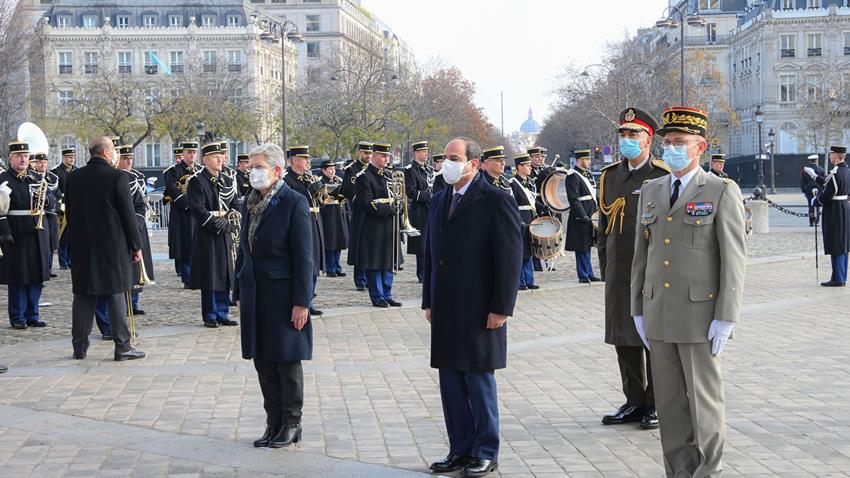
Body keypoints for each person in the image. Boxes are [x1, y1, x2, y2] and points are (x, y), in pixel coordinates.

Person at [631, 106, 746, 477]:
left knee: (704, 404)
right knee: (668, 405)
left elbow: (733, 260)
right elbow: (641, 255)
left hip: (700, 316)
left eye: (681, 143)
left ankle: (708, 472)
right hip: (659, 313)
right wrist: (637, 307)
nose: (673, 149)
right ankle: (679, 472)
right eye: (669, 143)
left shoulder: (720, 190)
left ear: (701, 146)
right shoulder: (651, 189)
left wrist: (726, 316)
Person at [423, 137, 522, 478]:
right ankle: (459, 449)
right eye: (444, 158)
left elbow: (509, 259)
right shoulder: (440, 200)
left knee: (478, 382)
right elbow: (431, 255)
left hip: (481, 308)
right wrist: (428, 300)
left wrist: (501, 307)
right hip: (446, 307)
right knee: (451, 383)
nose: (445, 164)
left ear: (474, 164)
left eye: (453, 158)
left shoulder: (496, 200)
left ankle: (485, 451)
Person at [233, 143, 313, 449]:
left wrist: (301, 302)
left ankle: (292, 422)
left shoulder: (294, 202)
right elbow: (244, 250)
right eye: (251, 166)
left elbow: (304, 257)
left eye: (258, 167)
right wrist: (238, 289)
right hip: (255, 293)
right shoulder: (249, 202)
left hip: (283, 295)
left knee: (286, 361)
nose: (252, 172)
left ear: (276, 171)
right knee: (263, 360)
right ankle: (273, 421)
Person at [597, 107, 669, 431]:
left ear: (648, 140)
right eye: (622, 135)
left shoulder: (662, 176)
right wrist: (605, 270)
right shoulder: (610, 176)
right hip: (619, 272)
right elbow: (604, 228)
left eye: (633, 134)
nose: (627, 140)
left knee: (652, 340)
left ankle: (657, 403)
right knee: (623, 340)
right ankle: (634, 401)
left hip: (652, 273)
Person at [66, 136, 145, 361]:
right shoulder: (117, 177)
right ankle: (123, 346)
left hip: (83, 247)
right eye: (113, 150)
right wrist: (136, 245)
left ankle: (79, 347)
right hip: (113, 246)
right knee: (116, 293)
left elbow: (70, 213)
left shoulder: (73, 177)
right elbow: (128, 215)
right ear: (106, 153)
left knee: (83, 296)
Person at [0, 141, 51, 329]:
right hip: (16, 232)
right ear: (11, 158)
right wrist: (5, 232)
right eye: (19, 156)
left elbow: (50, 202)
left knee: (36, 275)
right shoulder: (4, 179)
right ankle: (18, 316)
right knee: (18, 276)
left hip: (37, 232)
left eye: (26, 156)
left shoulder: (36, 178)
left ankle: (33, 314)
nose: (23, 159)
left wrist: (45, 197)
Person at [187, 141, 238, 328]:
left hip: (225, 233)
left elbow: (235, 202)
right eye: (215, 157)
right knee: (210, 274)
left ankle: (223, 312)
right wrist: (218, 224)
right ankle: (210, 313)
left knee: (225, 273)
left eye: (221, 156)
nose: (220, 160)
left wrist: (231, 220)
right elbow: (198, 210)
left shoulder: (227, 180)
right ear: (206, 160)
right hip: (208, 234)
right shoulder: (197, 181)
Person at [352, 142, 401, 308]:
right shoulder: (364, 177)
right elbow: (366, 203)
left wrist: (400, 206)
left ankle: (387, 293)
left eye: (387, 156)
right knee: (375, 263)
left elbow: (398, 197)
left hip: (390, 225)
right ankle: (377, 295)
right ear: (373, 156)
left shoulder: (389, 175)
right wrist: (390, 209)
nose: (386, 159)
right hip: (374, 226)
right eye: (382, 155)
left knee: (389, 261)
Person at [284, 146, 325, 316]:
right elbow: (291, 199)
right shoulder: (287, 179)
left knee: (313, 262)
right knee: (303, 261)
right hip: (299, 222)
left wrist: (320, 191)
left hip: (314, 221)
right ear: (293, 160)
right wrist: (310, 190)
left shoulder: (309, 177)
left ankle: (309, 298)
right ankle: (302, 299)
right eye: (303, 158)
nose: (308, 162)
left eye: (308, 158)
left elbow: (322, 201)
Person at [116, 145, 154, 315]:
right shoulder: (117, 177)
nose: (129, 161)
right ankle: (122, 304)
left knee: (137, 265)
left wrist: (137, 221)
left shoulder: (135, 178)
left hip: (136, 227)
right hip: (117, 229)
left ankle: (134, 301)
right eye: (125, 158)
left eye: (130, 158)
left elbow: (141, 203)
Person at [163, 141, 200, 288]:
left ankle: (197, 276)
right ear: (183, 154)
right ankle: (187, 278)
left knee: (197, 245)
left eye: (194, 152)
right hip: (182, 214)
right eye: (189, 152)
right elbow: (172, 190)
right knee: (184, 245)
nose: (192, 155)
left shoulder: (200, 170)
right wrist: (189, 205)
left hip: (197, 214)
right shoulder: (173, 171)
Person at [813, 145, 850, 286]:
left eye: (831, 154)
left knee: (837, 243)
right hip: (844, 208)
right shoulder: (846, 171)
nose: (829, 156)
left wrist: (815, 201)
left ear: (836, 155)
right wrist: (815, 177)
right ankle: (841, 276)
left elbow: (827, 194)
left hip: (835, 210)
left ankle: (838, 278)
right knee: (843, 243)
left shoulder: (836, 173)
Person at [566, 149, 601, 283]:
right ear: (580, 160)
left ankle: (589, 272)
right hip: (580, 215)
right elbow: (573, 199)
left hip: (590, 211)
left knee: (587, 244)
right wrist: (582, 215)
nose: (589, 161)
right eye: (587, 159)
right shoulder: (572, 175)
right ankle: (583, 274)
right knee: (581, 246)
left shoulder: (587, 174)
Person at [342, 141, 372, 291]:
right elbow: (346, 189)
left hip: (373, 212)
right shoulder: (351, 169)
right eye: (366, 153)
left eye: (370, 153)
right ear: (360, 152)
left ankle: (370, 277)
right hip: (359, 211)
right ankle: (360, 279)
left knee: (371, 246)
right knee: (360, 246)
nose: (368, 156)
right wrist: (358, 200)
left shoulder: (374, 169)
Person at [404, 141, 433, 283]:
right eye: (423, 152)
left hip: (432, 208)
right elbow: (411, 191)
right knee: (422, 244)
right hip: (420, 209)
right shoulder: (410, 170)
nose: (426, 154)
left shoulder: (429, 169)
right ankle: (422, 273)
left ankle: (431, 271)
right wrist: (428, 196)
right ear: (416, 153)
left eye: (426, 152)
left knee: (432, 241)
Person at [509, 154, 539, 291]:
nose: (529, 168)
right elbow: (513, 204)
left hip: (531, 218)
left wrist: (542, 206)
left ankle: (529, 280)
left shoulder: (531, 182)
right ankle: (521, 281)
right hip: (521, 219)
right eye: (526, 165)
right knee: (522, 252)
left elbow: (532, 201)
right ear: (519, 167)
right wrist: (518, 220)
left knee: (530, 250)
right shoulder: (512, 183)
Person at [32, 153, 61, 278]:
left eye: (45, 162)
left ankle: (48, 268)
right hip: (39, 213)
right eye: (40, 162)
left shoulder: (53, 178)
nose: (43, 165)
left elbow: (58, 194)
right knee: (42, 241)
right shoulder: (32, 177)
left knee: (51, 242)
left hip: (51, 213)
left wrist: (57, 206)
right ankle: (42, 269)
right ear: (36, 164)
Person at [319, 159, 348, 278]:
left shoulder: (337, 180)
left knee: (338, 240)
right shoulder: (320, 182)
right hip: (327, 214)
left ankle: (337, 266)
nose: (333, 171)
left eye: (333, 169)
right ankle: (330, 267)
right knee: (330, 242)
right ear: (323, 170)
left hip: (338, 212)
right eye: (330, 169)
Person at [51, 147, 76, 270]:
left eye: (73, 157)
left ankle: (71, 259)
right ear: (64, 157)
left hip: (75, 206)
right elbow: (56, 190)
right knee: (63, 235)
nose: (72, 159)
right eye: (69, 157)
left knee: (73, 235)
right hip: (63, 206)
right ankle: (63, 261)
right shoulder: (57, 171)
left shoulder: (76, 170)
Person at [801, 154, 826, 227]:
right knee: (817, 205)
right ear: (816, 160)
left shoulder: (805, 170)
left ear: (810, 161)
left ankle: (811, 222)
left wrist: (803, 191)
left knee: (810, 205)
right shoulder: (821, 169)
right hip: (818, 189)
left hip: (809, 189)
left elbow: (802, 181)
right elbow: (824, 181)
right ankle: (817, 222)